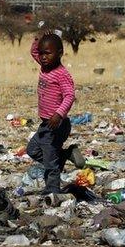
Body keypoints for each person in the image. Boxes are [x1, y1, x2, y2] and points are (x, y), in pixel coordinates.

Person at [27, 31, 85, 195]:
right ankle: (66, 154)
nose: (43, 57)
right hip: (45, 124)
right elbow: (33, 52)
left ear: (59, 53)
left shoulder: (62, 74)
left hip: (56, 125)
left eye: (48, 53)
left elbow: (69, 95)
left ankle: (52, 190)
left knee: (50, 161)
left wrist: (59, 114)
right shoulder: (44, 66)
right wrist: (37, 39)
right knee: (33, 150)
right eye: (42, 53)